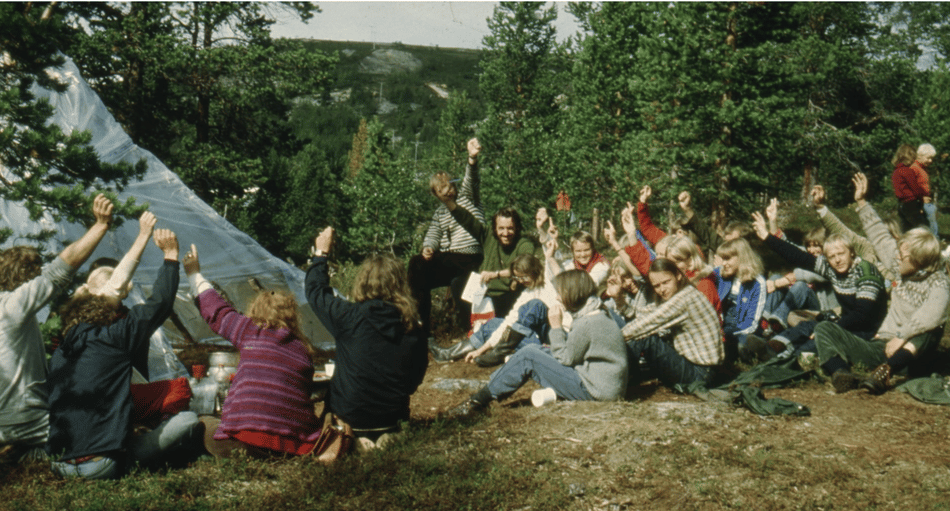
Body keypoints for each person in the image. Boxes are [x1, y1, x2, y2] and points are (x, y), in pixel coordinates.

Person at [46, 228, 202, 479]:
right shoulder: (114, 338)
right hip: (102, 465)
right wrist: (171, 255)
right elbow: (160, 303)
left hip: (60, 467)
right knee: (188, 420)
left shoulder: (59, 355)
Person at [0, 194, 114, 464]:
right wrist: (100, 225)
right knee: (101, 435)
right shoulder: (13, 306)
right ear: (27, 278)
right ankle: (32, 456)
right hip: (25, 420)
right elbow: (62, 268)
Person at [185, 244, 322, 458]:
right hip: (293, 447)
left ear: (256, 313)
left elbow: (215, 309)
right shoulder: (304, 350)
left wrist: (194, 273)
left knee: (203, 422)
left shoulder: (250, 330)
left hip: (243, 441)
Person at [446, 270, 628, 418]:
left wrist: (556, 327)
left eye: (560, 294)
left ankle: (478, 401)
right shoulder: (599, 311)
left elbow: (565, 358)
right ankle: (494, 386)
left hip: (596, 390)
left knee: (529, 355)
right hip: (607, 385)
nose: (557, 298)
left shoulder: (586, 323)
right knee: (536, 350)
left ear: (573, 294)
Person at [306, 227, 428, 442]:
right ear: (401, 285)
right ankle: (385, 437)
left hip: (348, 419)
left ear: (362, 281)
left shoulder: (348, 316)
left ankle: (355, 439)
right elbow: (413, 381)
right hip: (392, 418)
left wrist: (321, 254)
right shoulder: (413, 326)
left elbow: (316, 291)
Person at [815, 226, 948, 394]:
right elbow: (879, 237)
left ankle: (886, 372)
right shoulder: (901, 268)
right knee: (823, 328)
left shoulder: (939, 282)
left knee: (932, 328)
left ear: (918, 260)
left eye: (902, 256)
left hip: (912, 356)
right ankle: (841, 373)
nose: (897, 257)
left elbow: (932, 315)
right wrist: (862, 203)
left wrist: (901, 337)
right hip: (882, 347)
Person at [750, 211, 888, 360]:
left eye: (841, 254)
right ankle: (771, 347)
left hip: (868, 332)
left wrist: (831, 328)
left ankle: (790, 359)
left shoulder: (866, 272)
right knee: (807, 326)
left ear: (851, 253)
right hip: (848, 324)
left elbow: (862, 314)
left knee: (820, 335)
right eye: (832, 257)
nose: (837, 260)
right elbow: (798, 255)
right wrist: (767, 237)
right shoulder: (831, 268)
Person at [408, 138, 484, 338]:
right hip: (452, 260)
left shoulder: (467, 197)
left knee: (456, 283)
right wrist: (428, 247)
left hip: (470, 255)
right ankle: (421, 327)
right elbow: (433, 233)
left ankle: (467, 332)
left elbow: (471, 178)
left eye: (449, 185)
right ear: (436, 194)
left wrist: (472, 158)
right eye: (442, 188)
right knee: (418, 267)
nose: (448, 190)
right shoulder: (440, 213)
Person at [434, 179, 540, 319]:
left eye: (510, 228)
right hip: (484, 291)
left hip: (507, 295)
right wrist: (448, 202)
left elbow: (524, 268)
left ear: (517, 228)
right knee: (458, 283)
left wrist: (495, 275)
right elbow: (467, 219)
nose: (505, 233)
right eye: (501, 228)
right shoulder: (488, 235)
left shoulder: (524, 244)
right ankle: (468, 328)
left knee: (514, 298)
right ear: (495, 228)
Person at [432, 254, 563, 367]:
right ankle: (448, 354)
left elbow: (556, 267)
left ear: (534, 272)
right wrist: (480, 351)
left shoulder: (550, 282)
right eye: (518, 278)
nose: (521, 281)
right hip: (534, 338)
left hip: (553, 339)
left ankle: (501, 352)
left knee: (536, 305)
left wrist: (548, 247)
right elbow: (508, 323)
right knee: (495, 323)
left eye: (524, 277)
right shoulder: (526, 295)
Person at [623, 259, 725, 388]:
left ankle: (618, 380)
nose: (662, 289)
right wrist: (621, 305)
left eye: (666, 282)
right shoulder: (684, 293)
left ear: (678, 276)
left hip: (701, 373)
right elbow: (645, 313)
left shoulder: (684, 299)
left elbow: (646, 323)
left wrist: (615, 338)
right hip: (701, 368)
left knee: (646, 337)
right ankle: (624, 375)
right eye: (657, 286)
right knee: (642, 333)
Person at [543, 225, 610, 287]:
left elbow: (586, 287)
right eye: (578, 251)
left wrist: (551, 259)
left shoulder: (602, 265)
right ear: (572, 251)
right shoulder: (572, 263)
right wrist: (553, 241)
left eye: (586, 250)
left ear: (593, 249)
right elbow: (551, 277)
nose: (583, 255)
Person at [892, 143, 930, 233]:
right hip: (911, 203)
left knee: (906, 229)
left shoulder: (896, 171)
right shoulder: (907, 171)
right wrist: (923, 196)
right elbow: (915, 187)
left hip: (901, 204)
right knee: (922, 227)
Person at [911, 143, 939, 238]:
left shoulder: (923, 169)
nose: (930, 161)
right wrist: (921, 199)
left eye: (932, 158)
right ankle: (934, 240)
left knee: (932, 220)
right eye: (928, 158)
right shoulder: (914, 168)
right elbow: (913, 186)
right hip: (921, 202)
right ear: (920, 156)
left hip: (927, 201)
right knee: (930, 224)